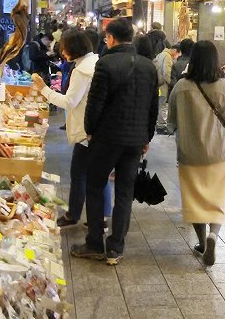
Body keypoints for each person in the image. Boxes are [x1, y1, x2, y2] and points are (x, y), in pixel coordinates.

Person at [71, 18, 159, 265]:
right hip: (134, 140)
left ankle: (95, 243)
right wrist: (147, 137)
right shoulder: (148, 66)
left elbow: (95, 103)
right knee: (124, 191)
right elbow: (153, 107)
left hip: (106, 138)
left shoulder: (105, 64)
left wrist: (89, 130)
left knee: (95, 185)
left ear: (110, 38)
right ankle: (116, 248)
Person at [167, 41, 225, 266]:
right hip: (219, 153)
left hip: (189, 153)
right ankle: (213, 236)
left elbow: (171, 123)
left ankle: (200, 242)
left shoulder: (180, 87)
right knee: (217, 198)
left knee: (194, 200)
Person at [31, 30, 112, 228]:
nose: (61, 50)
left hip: (87, 131)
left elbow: (69, 101)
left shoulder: (82, 71)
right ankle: (101, 216)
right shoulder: (95, 62)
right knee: (98, 174)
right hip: (98, 128)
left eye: (64, 47)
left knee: (80, 174)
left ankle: (77, 215)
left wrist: (44, 88)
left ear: (73, 48)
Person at [153, 45, 174, 134]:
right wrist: (171, 83)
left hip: (157, 84)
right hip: (163, 85)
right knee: (163, 105)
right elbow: (167, 72)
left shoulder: (159, 55)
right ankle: (161, 125)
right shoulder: (168, 56)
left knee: (159, 104)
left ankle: (158, 123)